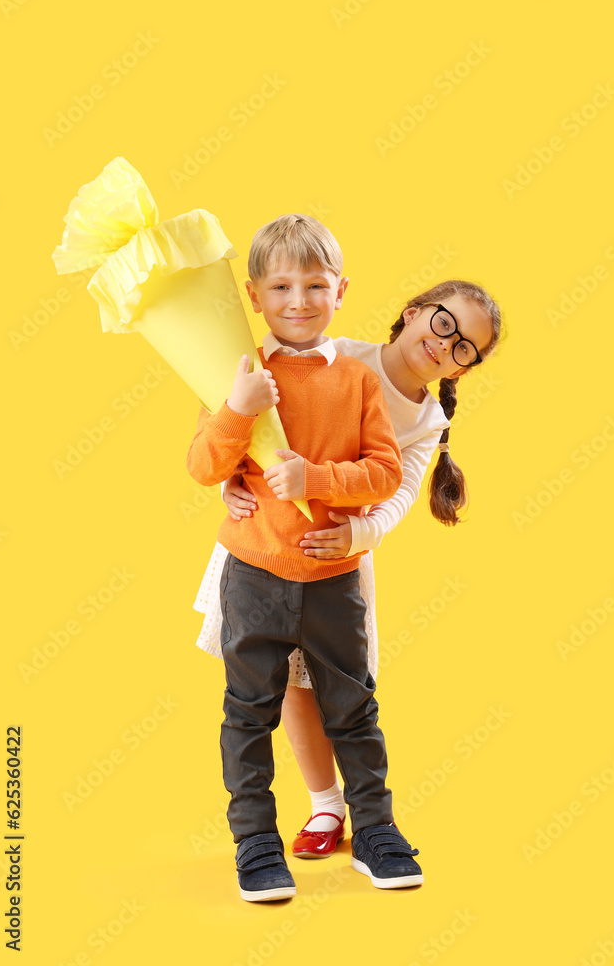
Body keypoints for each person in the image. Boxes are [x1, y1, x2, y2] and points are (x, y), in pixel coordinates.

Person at [194, 277, 502, 858]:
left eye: (465, 347)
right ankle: (324, 805)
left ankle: (363, 816)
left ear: (463, 369)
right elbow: (244, 412)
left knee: (341, 694)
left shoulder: (427, 421)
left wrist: (354, 533)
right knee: (278, 685)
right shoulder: (338, 353)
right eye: (443, 323)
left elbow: (398, 495)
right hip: (262, 546)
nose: (446, 344)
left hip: (335, 559)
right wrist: (231, 485)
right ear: (413, 313)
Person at [187, 213, 426, 902]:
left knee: (352, 709)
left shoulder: (356, 380)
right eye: (282, 286)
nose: (299, 300)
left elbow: (383, 473)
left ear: (340, 290)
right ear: (254, 296)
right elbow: (204, 466)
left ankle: (376, 832)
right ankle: (256, 844)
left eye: (315, 285)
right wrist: (236, 408)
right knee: (248, 712)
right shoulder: (234, 371)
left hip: (333, 580)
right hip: (254, 575)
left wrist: (315, 480)